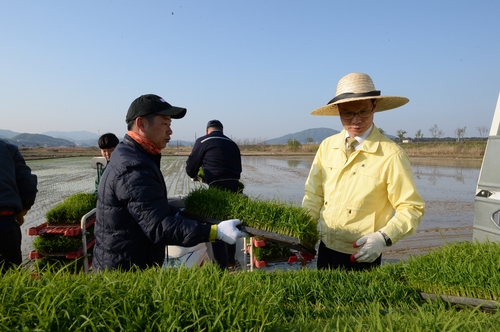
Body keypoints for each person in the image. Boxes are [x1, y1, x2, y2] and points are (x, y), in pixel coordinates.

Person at [93, 94, 247, 271]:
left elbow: (151, 208)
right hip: (124, 271)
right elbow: (159, 226)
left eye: (170, 124)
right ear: (141, 124)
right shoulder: (133, 167)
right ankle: (225, 264)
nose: (170, 131)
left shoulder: (135, 156)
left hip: (130, 261)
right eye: (165, 123)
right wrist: (214, 232)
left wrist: (182, 214)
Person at [302, 72, 425, 271]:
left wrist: (383, 237)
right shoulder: (327, 147)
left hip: (362, 253)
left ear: (374, 106)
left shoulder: (391, 154)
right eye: (348, 113)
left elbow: (411, 207)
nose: (356, 120)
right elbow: (313, 195)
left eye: (363, 112)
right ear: (338, 110)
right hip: (326, 247)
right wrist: (304, 232)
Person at [186, 119, 242, 269]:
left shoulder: (203, 140)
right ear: (222, 131)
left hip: (216, 186)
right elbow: (239, 169)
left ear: (207, 131)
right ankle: (231, 260)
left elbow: (191, 167)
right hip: (234, 186)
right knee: (230, 221)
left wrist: (197, 176)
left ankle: (220, 265)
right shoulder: (232, 143)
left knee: (216, 225)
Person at [0, 140, 37, 273]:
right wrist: (23, 209)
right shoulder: (7, 149)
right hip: (5, 224)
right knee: (10, 280)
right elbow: (27, 183)